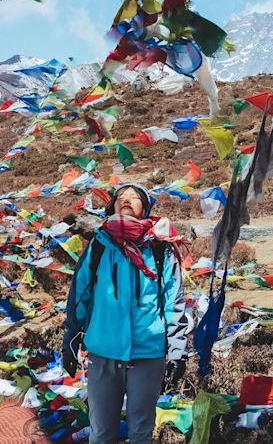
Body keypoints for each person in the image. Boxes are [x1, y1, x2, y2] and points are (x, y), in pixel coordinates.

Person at [62, 183, 191, 443]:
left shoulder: (159, 249)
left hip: (147, 353)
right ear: (112, 206)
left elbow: (173, 302)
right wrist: (70, 342)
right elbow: (79, 297)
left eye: (135, 197)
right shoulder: (99, 246)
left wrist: (178, 350)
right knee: (102, 431)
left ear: (145, 207)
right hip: (103, 354)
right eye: (121, 196)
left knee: (142, 430)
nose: (127, 200)